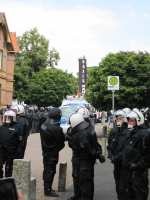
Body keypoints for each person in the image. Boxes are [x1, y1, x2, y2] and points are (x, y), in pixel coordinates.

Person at [68, 113, 105, 200]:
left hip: (84, 159)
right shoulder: (88, 128)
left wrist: (98, 155)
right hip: (82, 159)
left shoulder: (81, 134)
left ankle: (85, 197)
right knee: (80, 179)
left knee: (84, 181)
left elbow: (89, 150)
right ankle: (79, 196)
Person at [116, 110, 150, 200]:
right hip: (128, 172)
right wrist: (119, 157)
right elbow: (126, 149)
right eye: (128, 120)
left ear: (138, 121)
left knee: (139, 195)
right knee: (129, 194)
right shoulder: (130, 133)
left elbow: (148, 155)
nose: (129, 123)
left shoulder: (145, 134)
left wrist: (138, 164)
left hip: (139, 174)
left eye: (131, 121)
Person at [40, 107, 65, 197]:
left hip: (45, 151)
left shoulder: (43, 125)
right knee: (50, 171)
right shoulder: (56, 128)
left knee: (46, 169)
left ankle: (47, 187)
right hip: (52, 153)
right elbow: (61, 144)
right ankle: (47, 190)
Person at [107, 109, 130, 200]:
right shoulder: (115, 132)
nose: (118, 121)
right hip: (116, 162)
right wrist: (110, 154)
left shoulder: (128, 132)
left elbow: (127, 149)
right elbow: (110, 144)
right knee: (118, 182)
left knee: (123, 185)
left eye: (120, 119)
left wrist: (118, 157)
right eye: (117, 119)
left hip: (124, 163)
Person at [0, 110, 24, 178]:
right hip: (2, 151)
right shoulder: (1, 127)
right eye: (6, 117)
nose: (7, 119)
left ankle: (8, 182)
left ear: (13, 118)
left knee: (8, 168)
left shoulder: (17, 127)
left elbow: (20, 142)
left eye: (9, 117)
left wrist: (18, 152)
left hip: (11, 151)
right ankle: (1, 181)